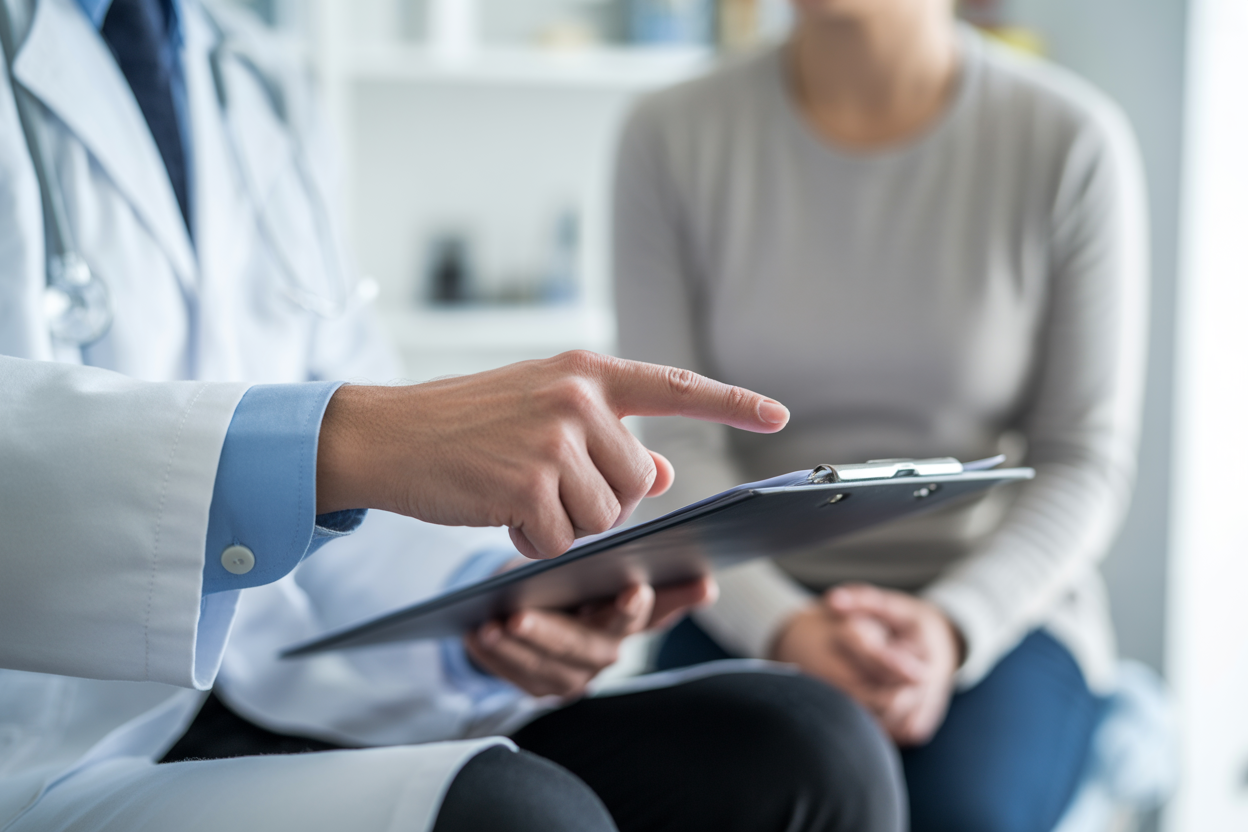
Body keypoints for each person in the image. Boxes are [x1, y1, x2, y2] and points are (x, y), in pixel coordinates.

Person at [0, 0, 906, 830]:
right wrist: (331, 443)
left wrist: (499, 619)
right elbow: (346, 442)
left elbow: (358, 496)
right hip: (39, 746)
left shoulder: (245, 67)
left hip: (273, 682)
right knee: (520, 818)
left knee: (801, 744)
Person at [613, 0, 1148, 829]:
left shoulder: (1071, 140)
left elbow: (1081, 458)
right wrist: (784, 629)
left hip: (992, 609)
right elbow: (679, 443)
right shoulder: (669, 133)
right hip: (745, 596)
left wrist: (953, 627)